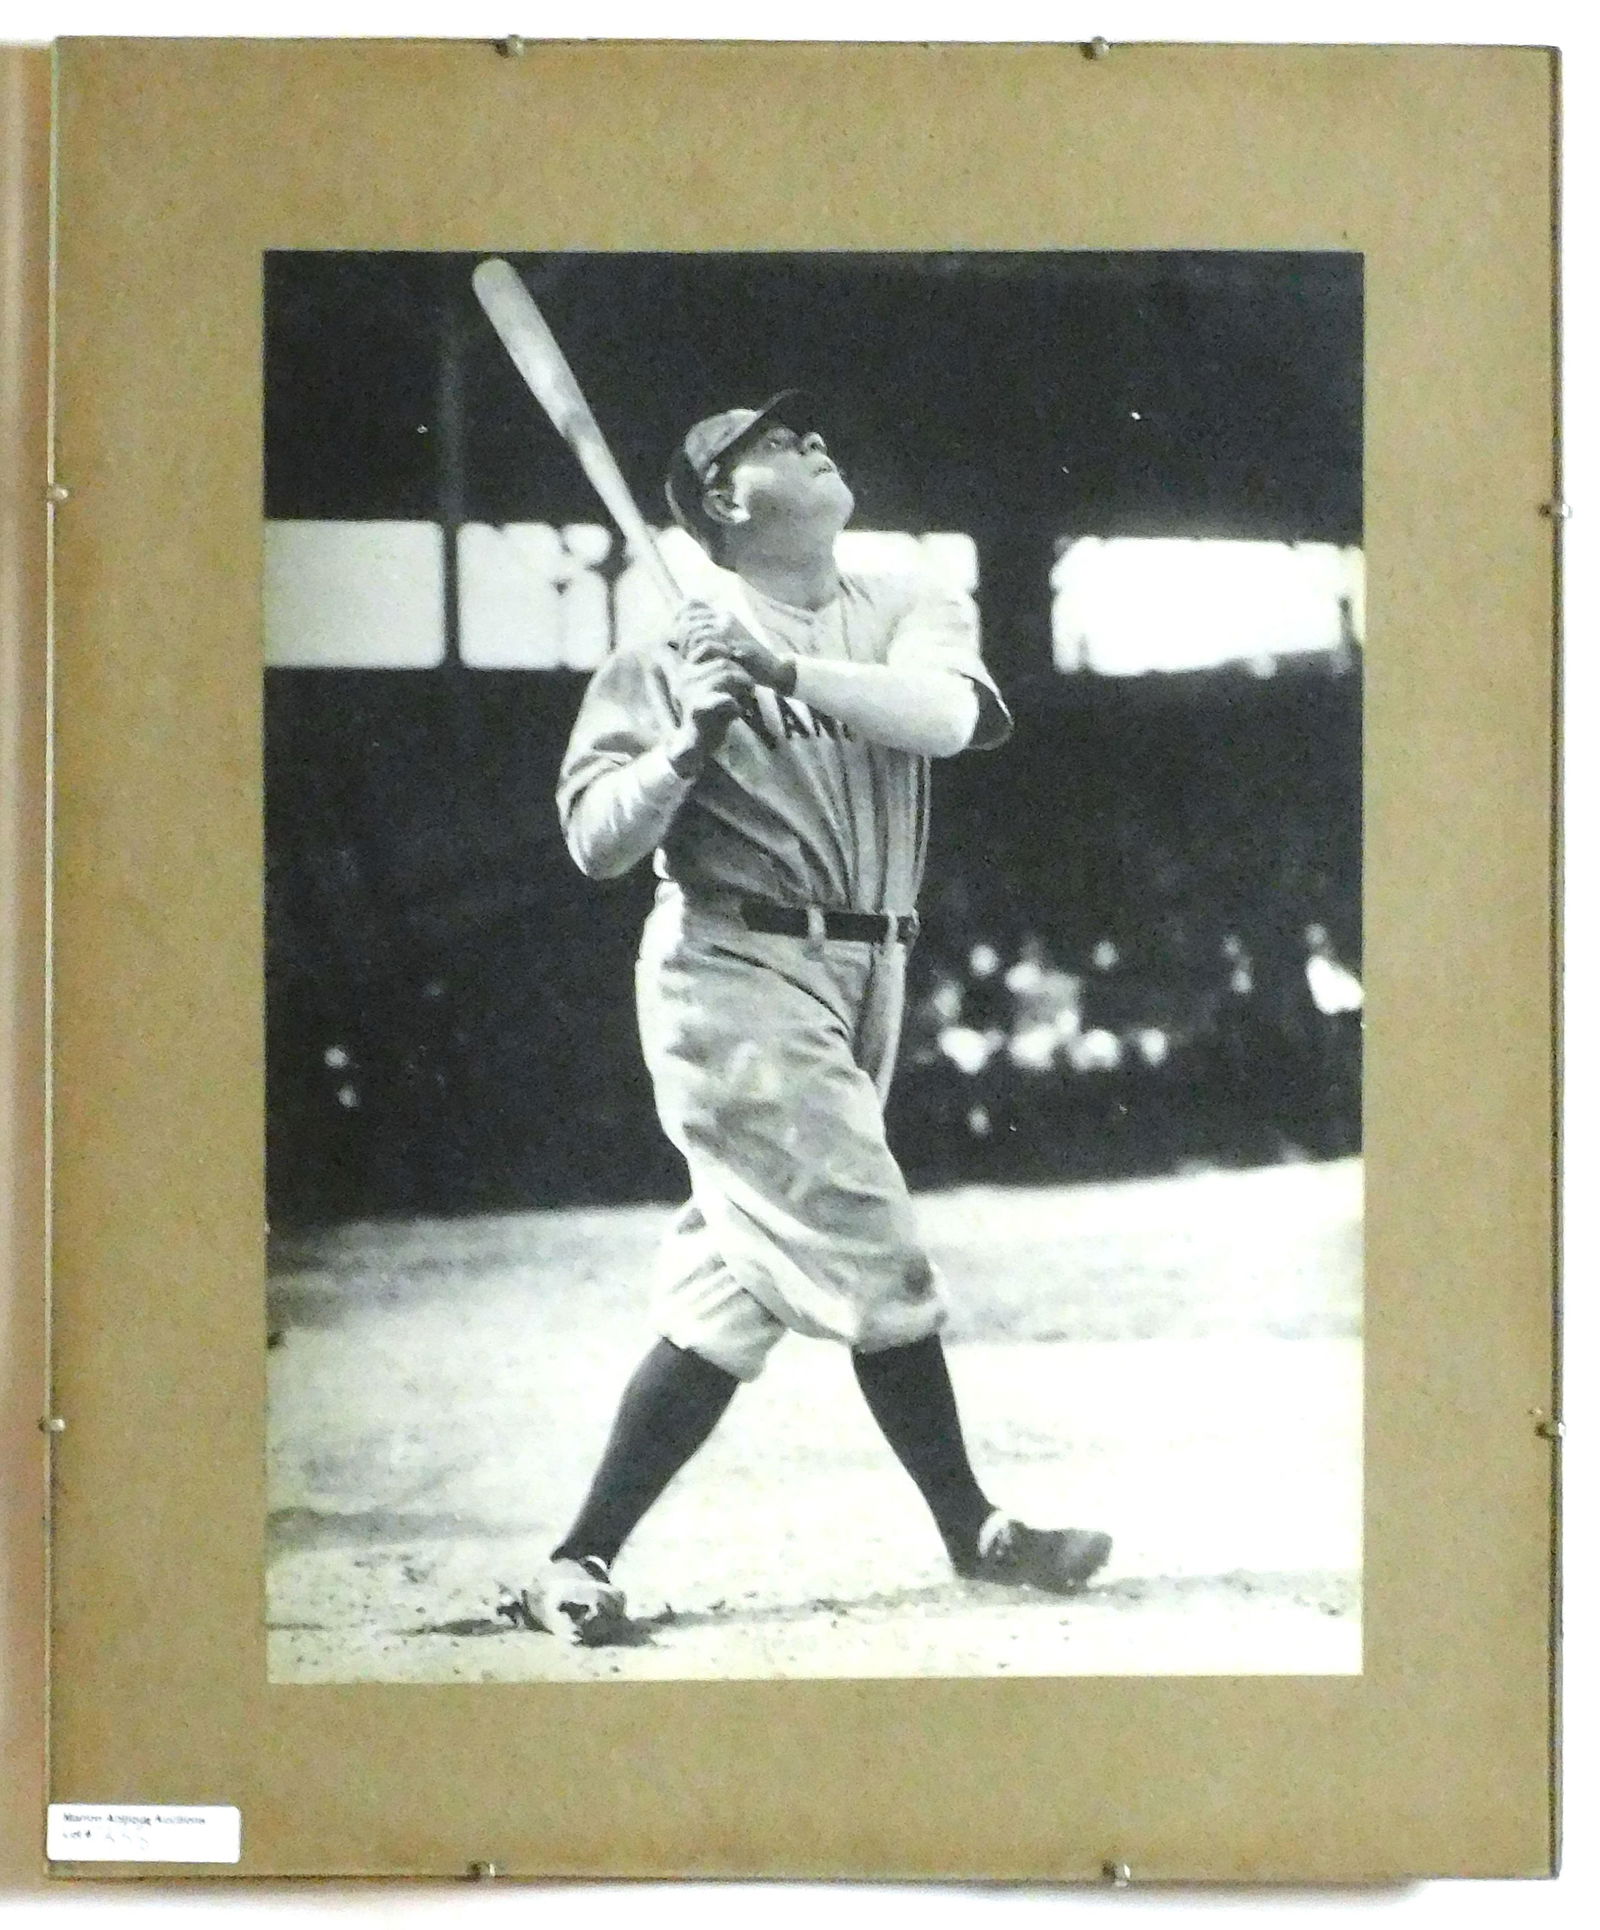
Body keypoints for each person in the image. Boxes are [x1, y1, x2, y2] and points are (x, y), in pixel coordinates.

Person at [512, 391, 1111, 1644]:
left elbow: (946, 717)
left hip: (868, 969)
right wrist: (683, 747)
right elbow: (592, 845)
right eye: (776, 442)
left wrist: (779, 671)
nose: (816, 441)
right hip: (728, 965)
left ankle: (576, 1556)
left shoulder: (905, 596)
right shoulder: (659, 652)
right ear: (725, 499)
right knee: (863, 1232)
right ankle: (976, 1528)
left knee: (729, 1293)